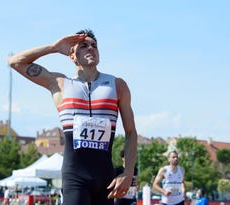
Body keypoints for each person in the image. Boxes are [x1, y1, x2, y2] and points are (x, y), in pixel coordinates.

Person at [8, 29, 138, 205]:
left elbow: (131, 132)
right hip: (75, 177)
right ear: (72, 56)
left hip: (105, 178)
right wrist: (54, 47)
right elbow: (15, 62)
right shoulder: (60, 84)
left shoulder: (117, 85)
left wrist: (128, 172)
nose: (90, 48)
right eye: (84, 46)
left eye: (94, 45)